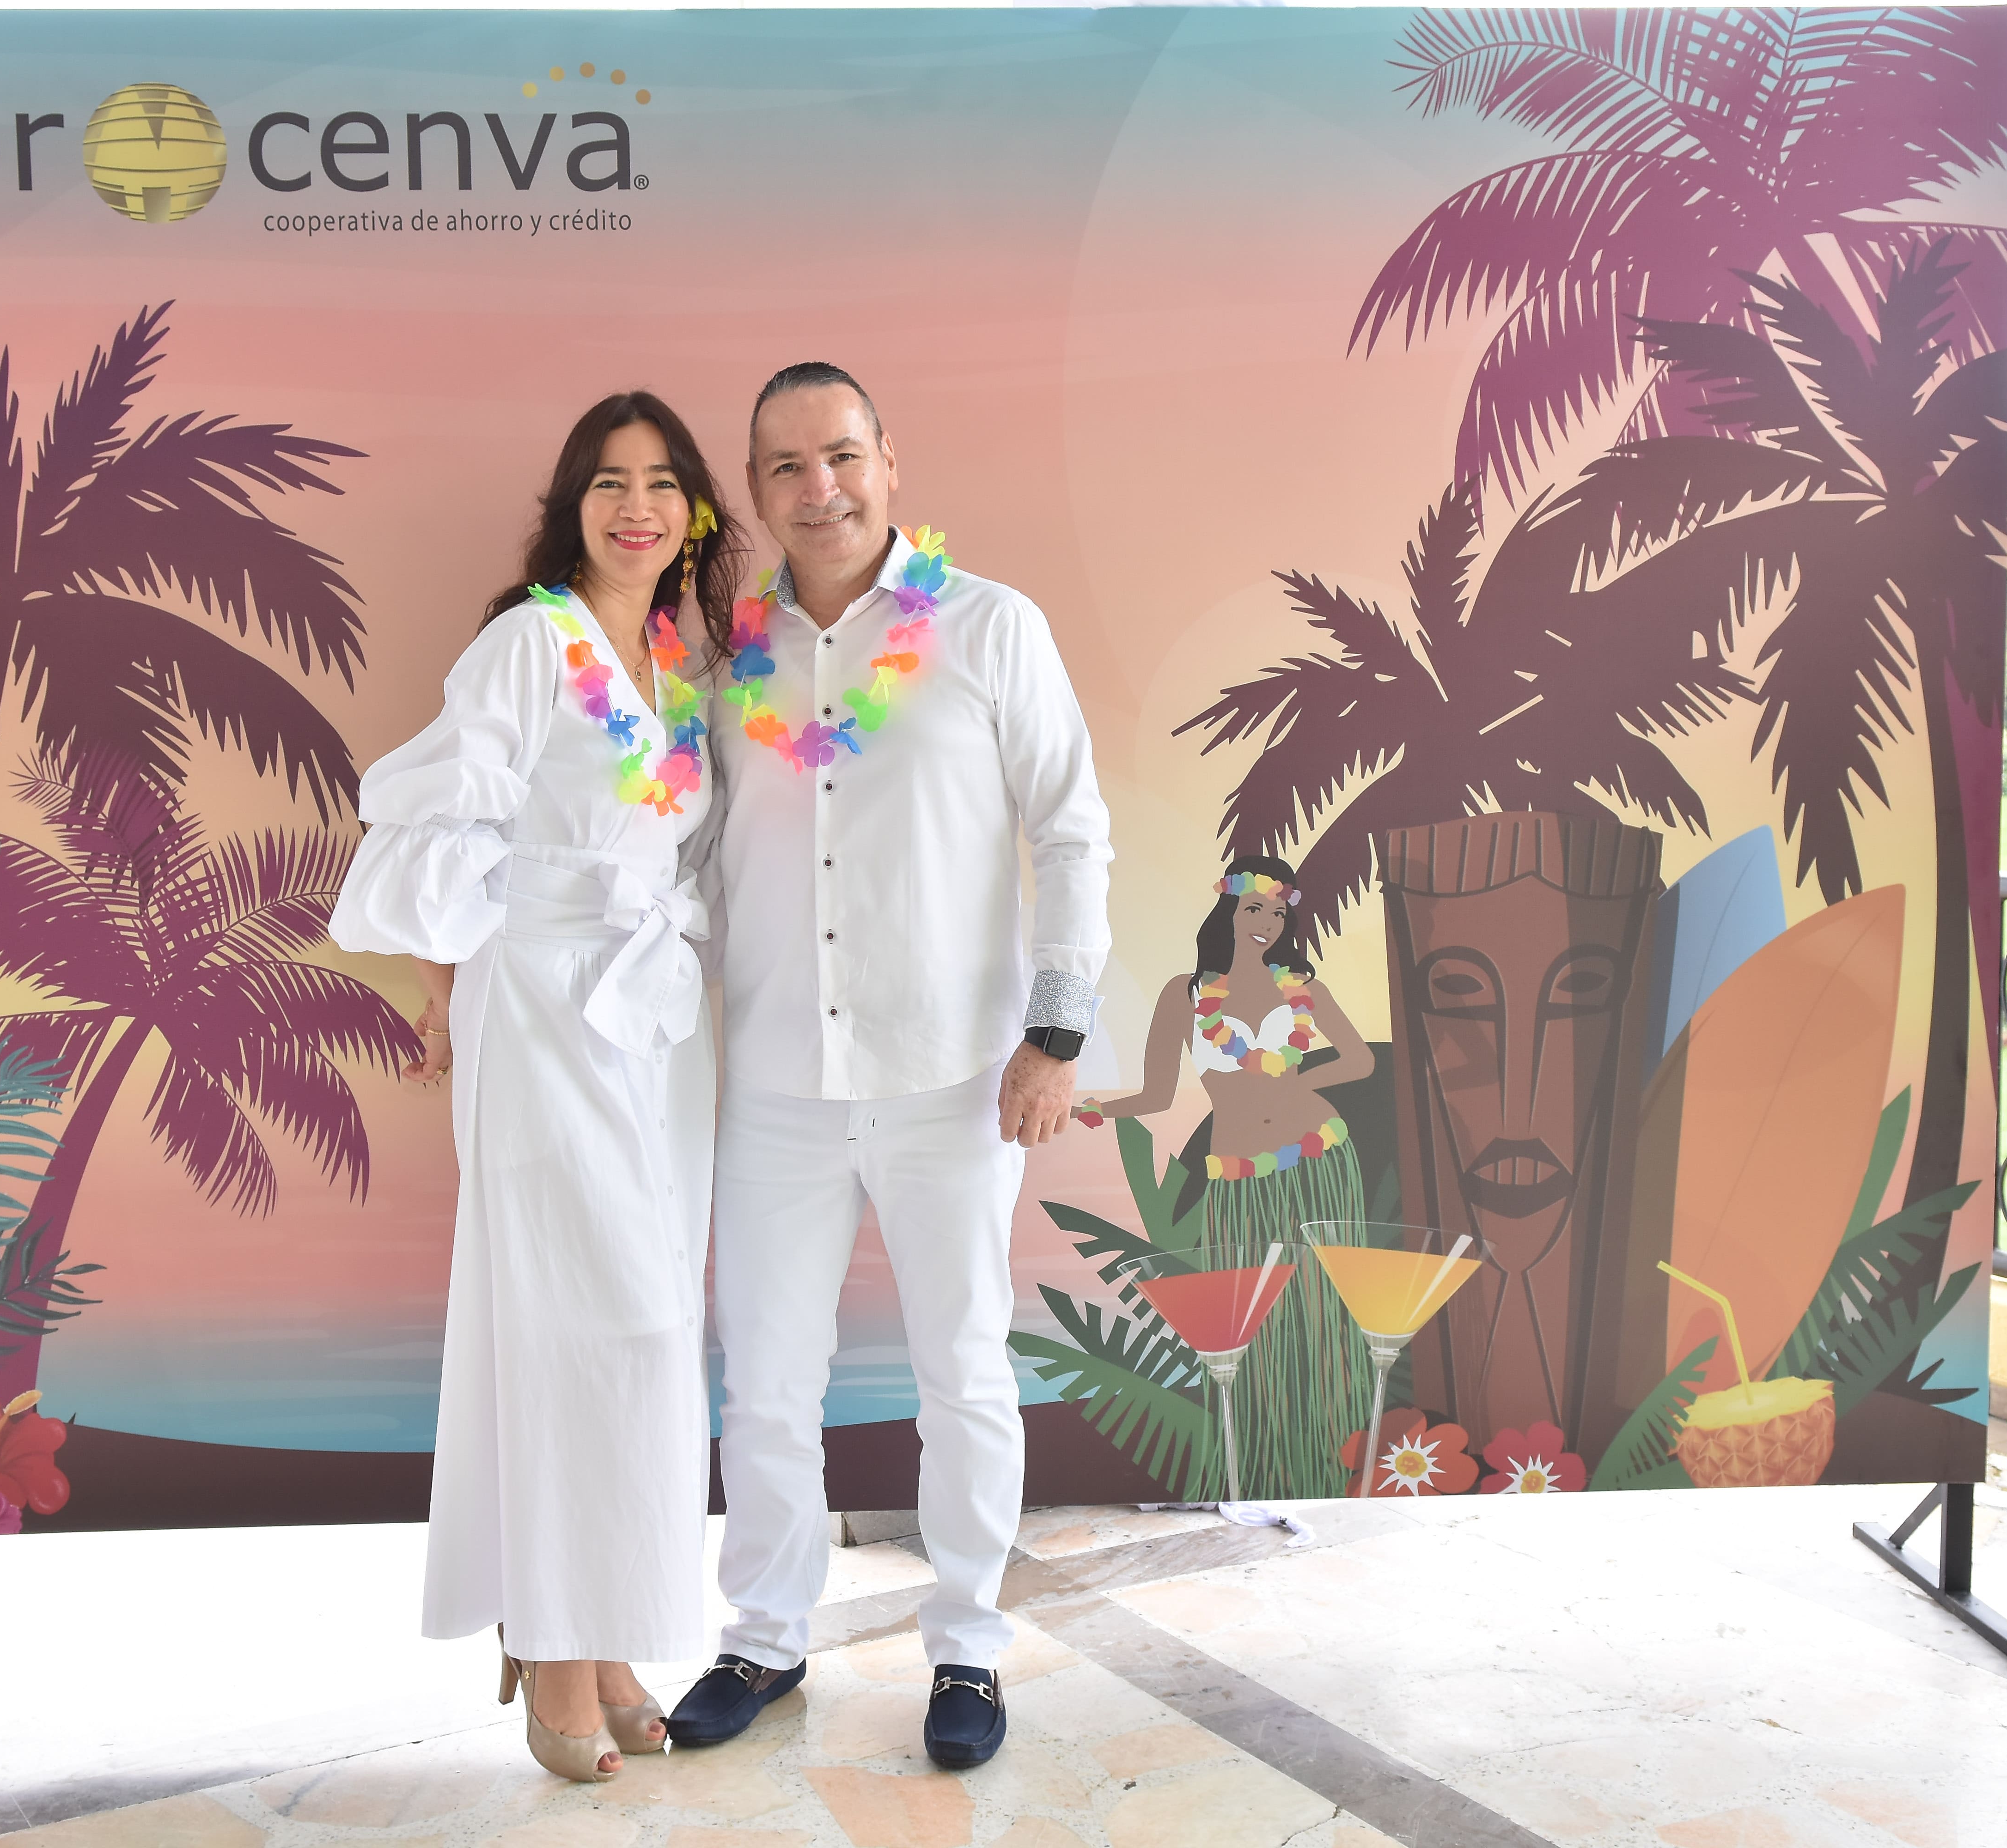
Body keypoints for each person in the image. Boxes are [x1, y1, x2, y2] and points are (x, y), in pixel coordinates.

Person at [667, 362, 1112, 1771]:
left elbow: (1071, 829)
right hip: (777, 1081)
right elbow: (689, 861)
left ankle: (969, 1646)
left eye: (843, 456)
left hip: (952, 1076)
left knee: (963, 1369)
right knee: (766, 1380)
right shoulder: (727, 667)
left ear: (889, 461)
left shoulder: (990, 627)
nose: (821, 489)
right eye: (786, 467)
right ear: (754, 492)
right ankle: (763, 1634)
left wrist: (1054, 1032)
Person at [328, 393, 738, 1783]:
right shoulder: (532, 643)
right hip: (552, 1010)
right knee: (576, 1318)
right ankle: (558, 1649)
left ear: (694, 514)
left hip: (659, 1021)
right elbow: (434, 824)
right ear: (573, 507)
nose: (639, 507)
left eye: (664, 483)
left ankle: (605, 1636)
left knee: (649, 1325)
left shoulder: (678, 663)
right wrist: (450, 978)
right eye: (610, 483)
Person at [1075, 853, 1377, 1498]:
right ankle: (1268, 1472)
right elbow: (1157, 1094)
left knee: (1324, 1319)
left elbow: (1358, 1061)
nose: (1266, 923)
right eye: (1253, 909)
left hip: (1320, 1161)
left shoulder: (1304, 990)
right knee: (1255, 1328)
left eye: (1278, 913)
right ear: (1227, 910)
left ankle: (1337, 1464)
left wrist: (1301, 1081)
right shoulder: (1184, 996)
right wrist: (1096, 1108)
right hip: (1240, 1180)